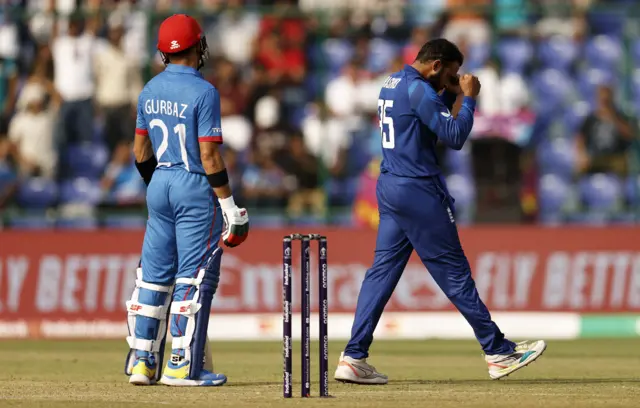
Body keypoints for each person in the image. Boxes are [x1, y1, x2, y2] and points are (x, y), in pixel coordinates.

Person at [334, 39, 546, 385]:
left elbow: (421, 123)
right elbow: (454, 135)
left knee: (381, 274)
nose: (455, 78)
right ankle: (497, 351)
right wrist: (471, 98)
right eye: (451, 72)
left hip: (390, 186)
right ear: (435, 65)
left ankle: (354, 357)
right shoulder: (420, 90)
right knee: (454, 271)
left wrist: (448, 94)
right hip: (419, 190)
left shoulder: (392, 84)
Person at [124, 14, 250, 387]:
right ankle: (180, 366)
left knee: (153, 278)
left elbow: (139, 150)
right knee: (193, 279)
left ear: (163, 52)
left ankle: (143, 362)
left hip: (159, 182)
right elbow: (210, 157)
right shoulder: (204, 92)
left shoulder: (149, 89)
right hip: (194, 186)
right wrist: (230, 208)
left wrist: (159, 186)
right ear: (199, 46)